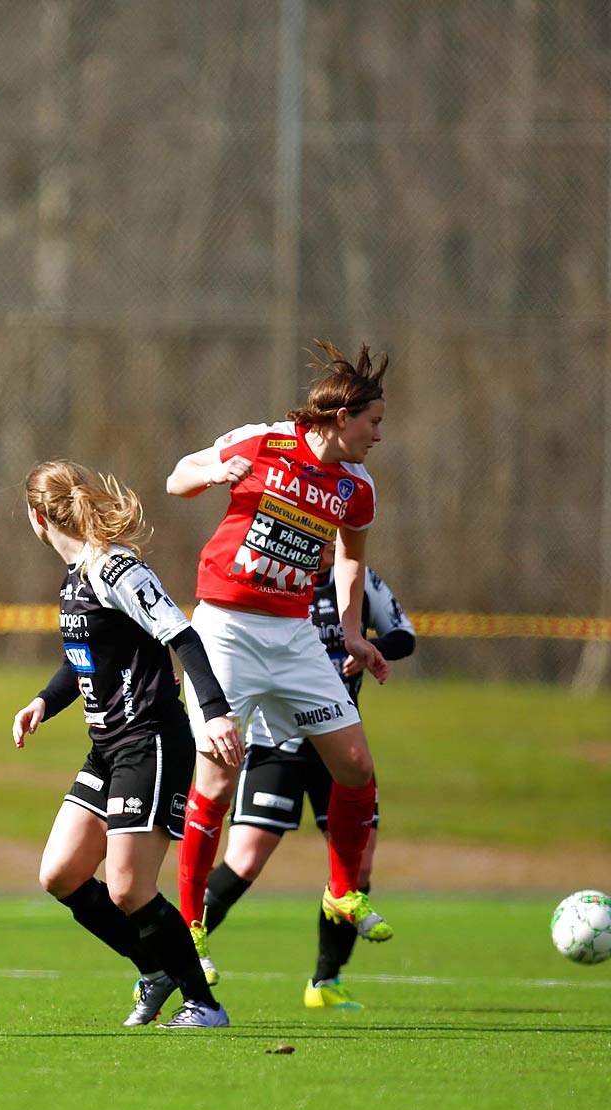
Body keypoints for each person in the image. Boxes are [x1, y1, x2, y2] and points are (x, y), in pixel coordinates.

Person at [166, 341, 393, 987]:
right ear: (342, 416)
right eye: (373, 422)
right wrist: (213, 473)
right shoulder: (265, 443)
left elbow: (350, 560)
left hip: (295, 637)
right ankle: (190, 928)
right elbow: (177, 477)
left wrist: (351, 634)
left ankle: (344, 893)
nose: (379, 436)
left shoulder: (356, 486)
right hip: (228, 630)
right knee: (216, 780)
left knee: (354, 765)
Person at [10, 461, 244, 1029]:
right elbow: (85, 659)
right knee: (62, 873)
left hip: (152, 742)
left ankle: (203, 1005)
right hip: (108, 746)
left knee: (128, 888)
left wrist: (212, 712)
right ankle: (156, 970)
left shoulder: (116, 569)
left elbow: (180, 634)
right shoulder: (73, 578)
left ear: (38, 519)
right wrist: (45, 700)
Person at [203, 554, 416, 1008]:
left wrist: (373, 649)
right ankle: (174, 959)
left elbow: (405, 634)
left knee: (357, 867)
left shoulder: (357, 580)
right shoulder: (274, 579)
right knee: (244, 859)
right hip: (274, 743)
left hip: (337, 746)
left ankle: (326, 982)